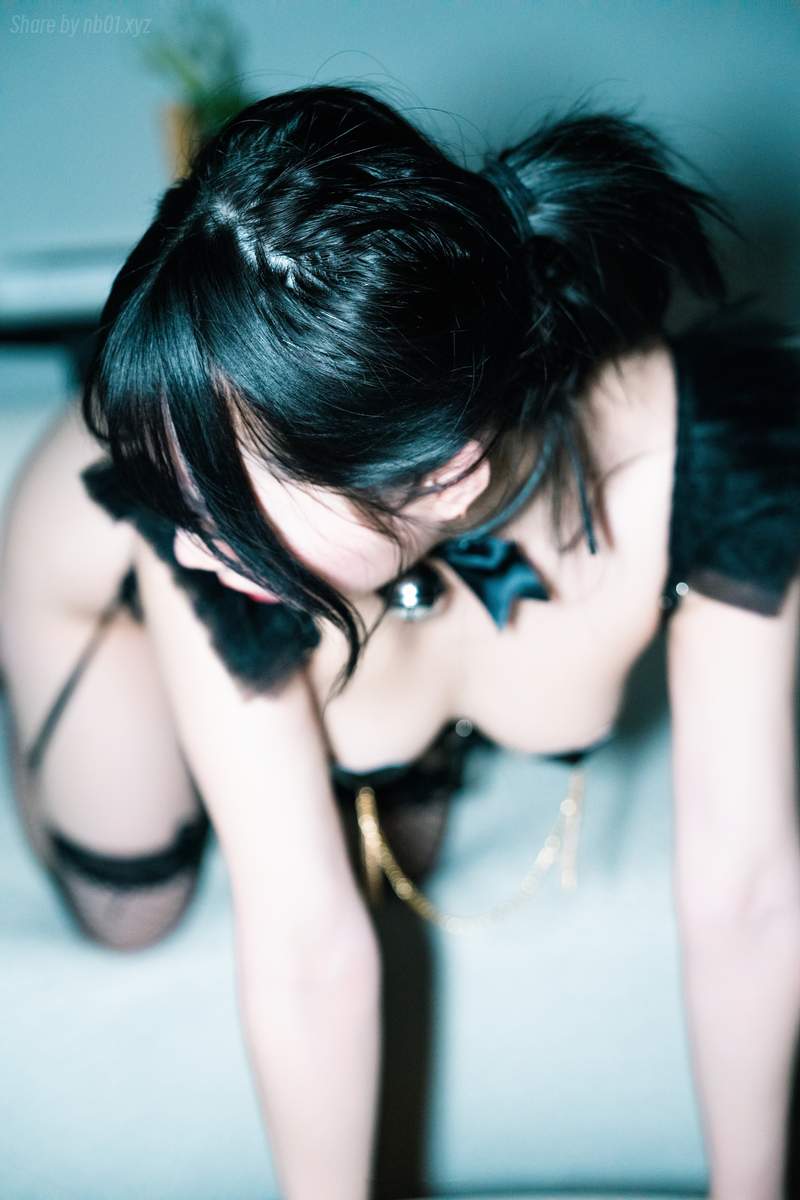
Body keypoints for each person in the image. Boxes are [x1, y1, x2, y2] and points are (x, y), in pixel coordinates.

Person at [1, 84, 798, 1199]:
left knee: (392, 860)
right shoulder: (194, 540)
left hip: (361, 524)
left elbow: (747, 885)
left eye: (229, 518)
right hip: (88, 583)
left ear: (446, 477)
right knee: (136, 911)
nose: (191, 543)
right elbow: (304, 945)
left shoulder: (714, 462)